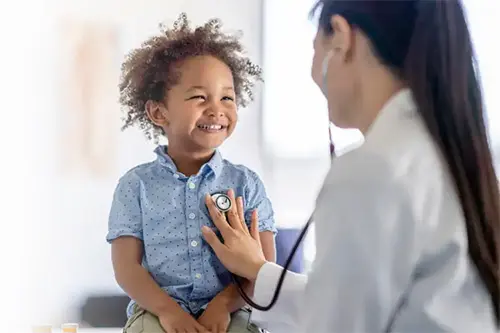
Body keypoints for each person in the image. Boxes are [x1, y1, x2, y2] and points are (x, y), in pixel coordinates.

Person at [201, 0, 500, 332]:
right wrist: (260, 272)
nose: (315, 75)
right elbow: (371, 301)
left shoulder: (371, 170)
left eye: (314, 50)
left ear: (341, 38)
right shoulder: (442, 150)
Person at [106, 13, 276, 333]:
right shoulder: (135, 186)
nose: (216, 109)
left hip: (232, 309)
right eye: (200, 97)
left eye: (227, 97)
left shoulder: (247, 185)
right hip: (157, 312)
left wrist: (223, 306)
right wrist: (168, 312)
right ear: (159, 112)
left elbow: (264, 267)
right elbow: (126, 267)